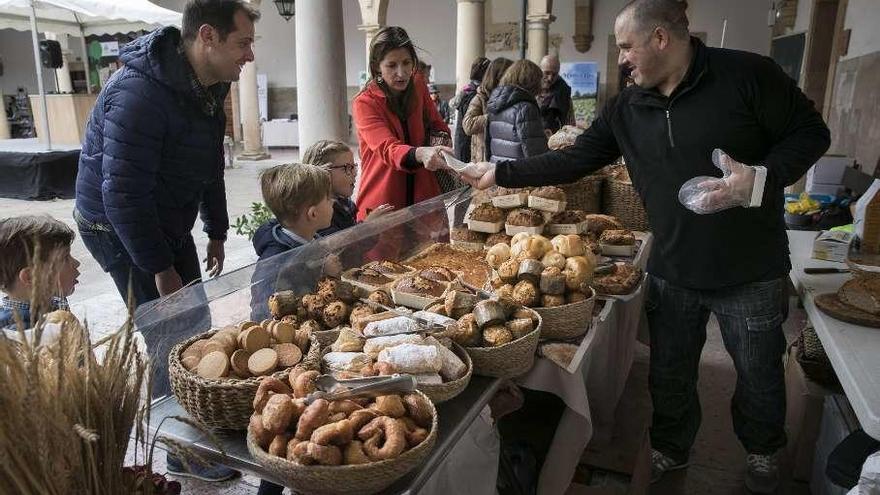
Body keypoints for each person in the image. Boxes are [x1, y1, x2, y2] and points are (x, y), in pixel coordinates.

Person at [463, 0, 831, 492]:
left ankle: (763, 453)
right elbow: (576, 159)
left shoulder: (747, 75)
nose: (621, 59)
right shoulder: (626, 107)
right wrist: (500, 172)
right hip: (672, 266)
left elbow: (812, 133)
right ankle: (670, 448)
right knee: (670, 374)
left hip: (750, 270)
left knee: (759, 376)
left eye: (626, 46)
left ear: (661, 38)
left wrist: (761, 179)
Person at [73, 0, 259, 482]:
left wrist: (216, 230)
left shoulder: (209, 84)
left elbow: (209, 164)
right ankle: (183, 450)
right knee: (168, 336)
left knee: (196, 326)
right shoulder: (139, 93)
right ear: (207, 37)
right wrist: (161, 266)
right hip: (117, 227)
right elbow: (123, 196)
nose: (250, 56)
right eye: (243, 43)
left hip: (165, 218)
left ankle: (199, 429)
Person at [351, 26, 451, 222]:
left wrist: (442, 144)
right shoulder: (365, 103)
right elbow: (387, 148)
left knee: (435, 252)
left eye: (406, 63)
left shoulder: (418, 84)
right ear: (377, 67)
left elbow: (437, 124)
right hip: (384, 199)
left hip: (425, 196)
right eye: (392, 65)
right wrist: (421, 153)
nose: (401, 72)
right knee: (383, 253)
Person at [0, 216, 80, 333]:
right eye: (65, 258)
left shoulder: (52, 300)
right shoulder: (18, 335)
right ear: (31, 277)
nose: (77, 263)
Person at [300, 140, 394, 237]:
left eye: (354, 167)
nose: (354, 173)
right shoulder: (319, 212)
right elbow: (337, 248)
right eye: (347, 168)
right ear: (324, 173)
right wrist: (368, 227)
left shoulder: (345, 204)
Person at [252, 164, 335, 261]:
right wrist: (321, 269)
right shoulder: (275, 259)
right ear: (313, 214)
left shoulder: (311, 238)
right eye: (328, 198)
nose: (333, 201)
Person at [485, 59, 549, 163]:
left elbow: (488, 145)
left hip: (497, 171)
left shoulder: (495, 104)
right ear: (532, 81)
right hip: (519, 175)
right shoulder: (526, 108)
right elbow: (536, 154)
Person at [462, 57, 514, 164]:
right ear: (498, 77)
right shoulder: (481, 97)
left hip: (504, 157)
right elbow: (468, 125)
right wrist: (494, 117)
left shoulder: (509, 95)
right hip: (484, 159)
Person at [451, 56, 490, 162]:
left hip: (462, 140)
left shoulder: (467, 90)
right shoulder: (474, 94)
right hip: (467, 143)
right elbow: (469, 125)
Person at [537, 54, 574, 135]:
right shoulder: (530, 87)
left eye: (554, 74)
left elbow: (569, 123)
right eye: (546, 73)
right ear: (539, 70)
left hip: (553, 140)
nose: (550, 78)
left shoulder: (564, 92)